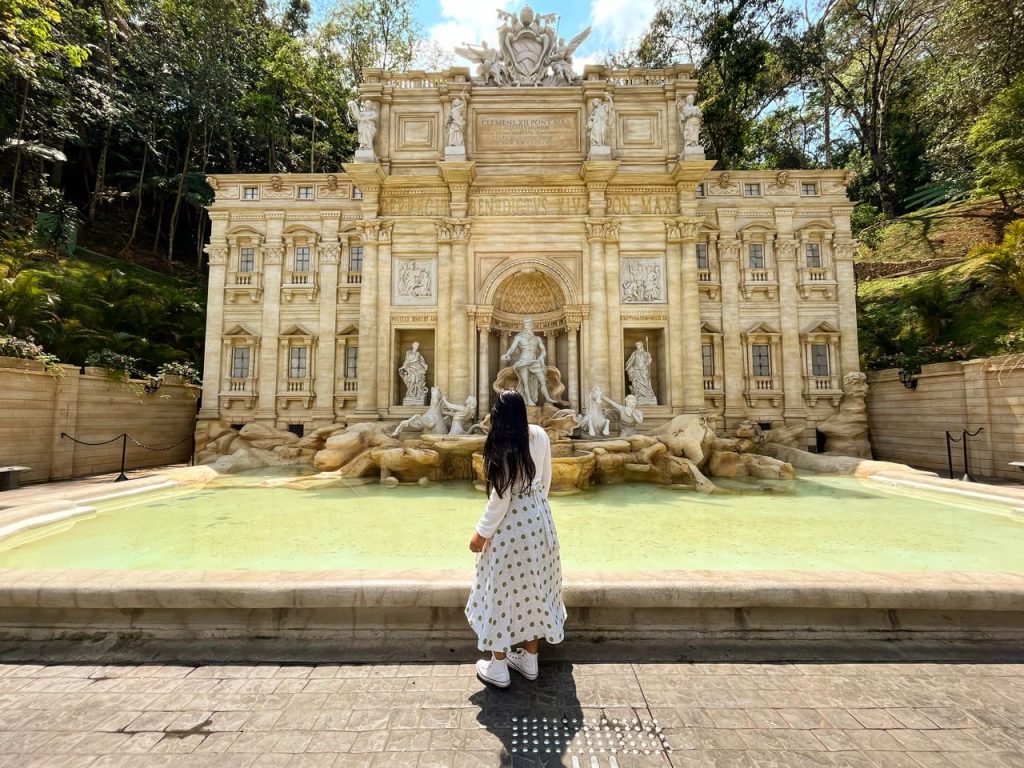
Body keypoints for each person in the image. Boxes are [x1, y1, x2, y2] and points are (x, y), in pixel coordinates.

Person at [467, 389, 565, 688]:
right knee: (536, 586)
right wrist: (534, 507)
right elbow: (545, 479)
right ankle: (530, 659)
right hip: (540, 518)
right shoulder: (540, 435)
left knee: (500, 591)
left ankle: (498, 666)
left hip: (512, 526)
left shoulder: (503, 445)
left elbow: (501, 498)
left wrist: (481, 534)